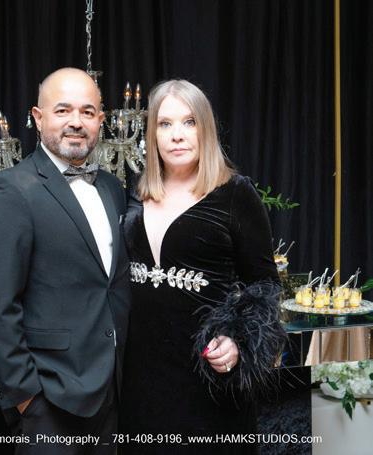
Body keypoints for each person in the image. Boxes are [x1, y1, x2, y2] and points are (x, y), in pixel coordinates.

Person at [119, 80, 286, 454]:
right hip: (142, 378)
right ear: (152, 133)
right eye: (165, 124)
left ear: (205, 129)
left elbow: (264, 286)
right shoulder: (137, 191)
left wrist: (237, 341)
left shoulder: (235, 193)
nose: (177, 135)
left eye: (189, 122)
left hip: (207, 377)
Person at [0, 67, 131, 454]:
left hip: (113, 394)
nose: (76, 121)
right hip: (50, 403)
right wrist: (26, 398)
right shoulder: (9, 191)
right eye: (63, 110)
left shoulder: (113, 188)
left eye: (87, 112)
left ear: (101, 120)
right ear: (38, 117)